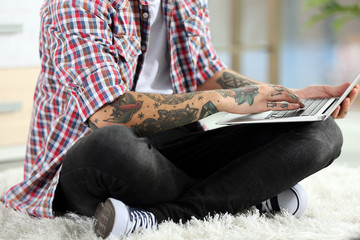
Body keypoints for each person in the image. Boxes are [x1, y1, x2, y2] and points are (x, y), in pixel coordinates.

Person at [1, 0, 359, 239]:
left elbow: (205, 72)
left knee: (320, 132)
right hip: (89, 151)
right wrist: (227, 100)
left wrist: (289, 97)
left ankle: (158, 218)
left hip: (175, 140)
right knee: (113, 145)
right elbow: (108, 112)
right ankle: (244, 193)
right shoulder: (76, 3)